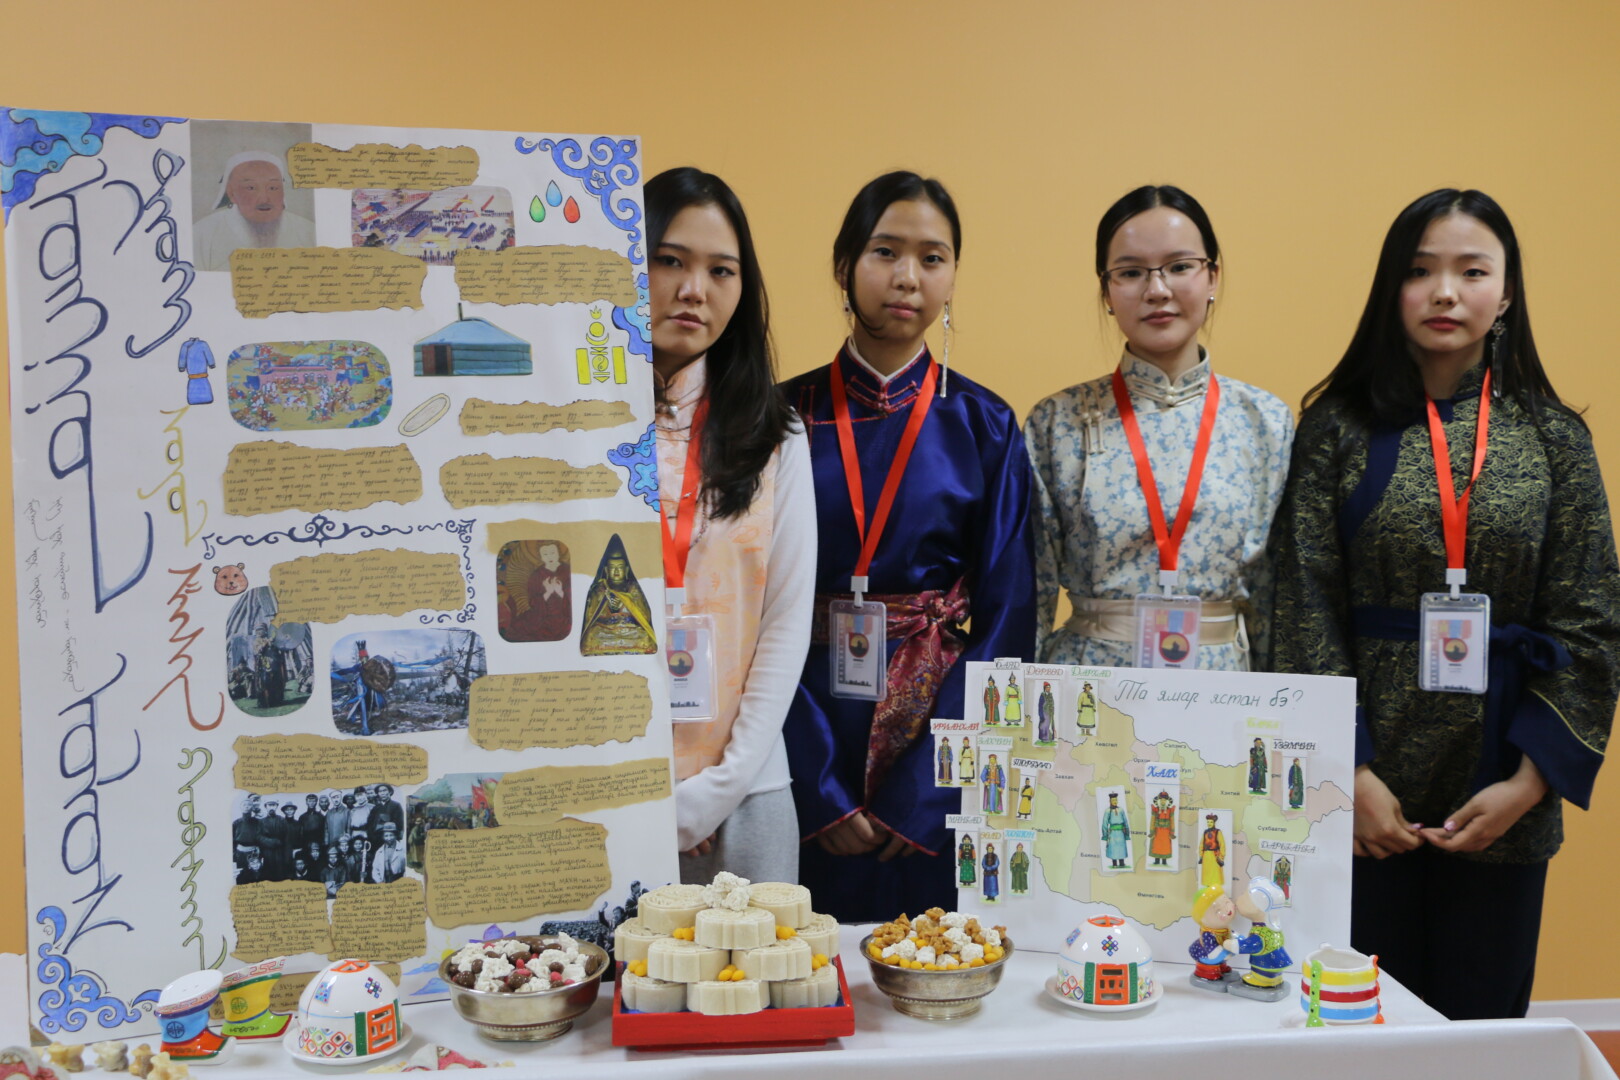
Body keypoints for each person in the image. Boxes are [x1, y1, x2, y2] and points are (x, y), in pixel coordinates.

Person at [1270, 188, 1620, 1020]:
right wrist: (1348, 774)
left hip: (1501, 778)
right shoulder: (1335, 428)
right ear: (1392, 287)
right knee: (1354, 1027)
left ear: (1507, 292)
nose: (1445, 292)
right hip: (1360, 794)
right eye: (1421, 271)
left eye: (1472, 271)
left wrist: (1529, 782)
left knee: (1481, 1029)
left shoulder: (1554, 437)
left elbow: (1592, 616)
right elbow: (1301, 601)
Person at [781, 171, 1036, 921]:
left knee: (933, 953)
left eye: (933, 257)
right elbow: (747, 611)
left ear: (953, 276)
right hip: (801, 710)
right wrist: (815, 782)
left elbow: (1007, 617)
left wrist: (933, 784)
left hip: (935, 721)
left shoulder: (985, 423)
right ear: (844, 266)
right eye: (885, 252)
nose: (908, 277)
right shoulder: (779, 417)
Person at [1026, 185, 1292, 670]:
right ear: (1107, 291)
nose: (1157, 290)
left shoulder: (1265, 421)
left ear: (1212, 277)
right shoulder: (1057, 421)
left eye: (1179, 266)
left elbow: (1277, 595)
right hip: (1090, 682)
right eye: (1131, 273)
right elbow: (1032, 590)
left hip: (1223, 687)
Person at [643, 168, 815, 885]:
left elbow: (785, 620)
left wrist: (717, 790)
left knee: (752, 959)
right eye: (670, 260)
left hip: (746, 790)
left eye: (721, 270)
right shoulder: (571, 430)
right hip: (601, 786)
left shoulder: (776, 433)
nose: (695, 290)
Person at [194, 152, 315, 271]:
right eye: (251, 188)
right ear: (231, 193)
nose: (264, 199)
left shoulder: (308, 231)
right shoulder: (202, 235)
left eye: (273, 188)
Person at [1101, 792, 1129, 868]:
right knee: (1113, 848)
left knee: (1121, 848)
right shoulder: (1107, 811)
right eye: (1113, 800)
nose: (1115, 802)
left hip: (1121, 833)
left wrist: (1127, 833)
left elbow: (1125, 822)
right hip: (1112, 833)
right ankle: (1114, 864)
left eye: (1116, 800)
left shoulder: (1121, 810)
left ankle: (1122, 863)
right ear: (1110, 801)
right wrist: (1105, 835)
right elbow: (1104, 823)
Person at [1200, 812, 1225, 888]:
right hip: (1206, 856)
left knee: (1215, 875)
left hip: (1215, 856)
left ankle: (1215, 890)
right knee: (1207, 874)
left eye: (1211, 822)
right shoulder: (1205, 832)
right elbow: (1201, 844)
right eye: (1208, 822)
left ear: (1214, 822)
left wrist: (1221, 857)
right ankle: (1208, 889)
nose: (1209, 824)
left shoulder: (1218, 832)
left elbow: (1222, 844)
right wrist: (1201, 856)